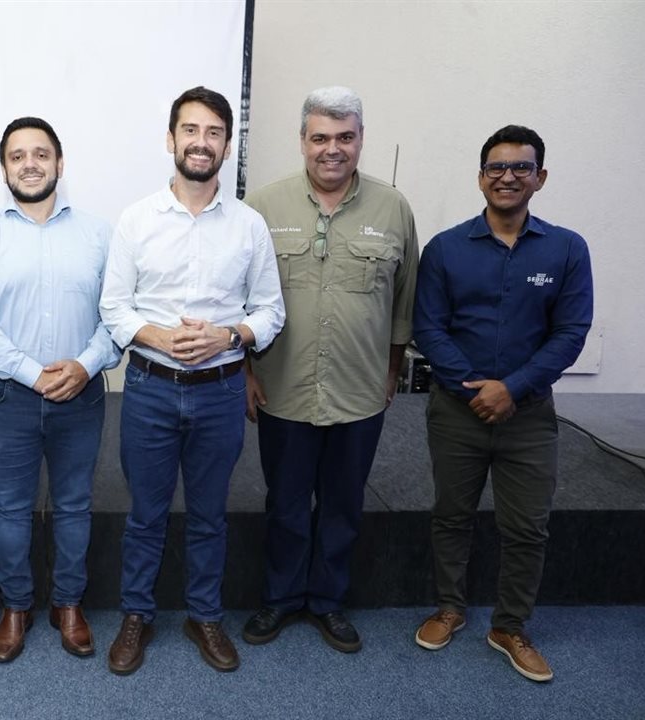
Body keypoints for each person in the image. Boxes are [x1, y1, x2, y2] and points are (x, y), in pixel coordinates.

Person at [99, 87, 285, 674]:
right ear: (171, 139)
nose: (200, 142)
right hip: (151, 388)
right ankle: (137, 615)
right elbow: (114, 307)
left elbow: (271, 312)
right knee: (146, 515)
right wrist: (156, 336)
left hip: (222, 392)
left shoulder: (250, 226)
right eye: (190, 130)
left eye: (213, 133)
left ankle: (205, 615)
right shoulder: (136, 219)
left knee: (209, 515)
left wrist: (228, 337)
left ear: (227, 145)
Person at [241, 86, 419, 654]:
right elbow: (238, 299)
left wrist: (392, 371)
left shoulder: (394, 209)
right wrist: (245, 372)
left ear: (361, 139)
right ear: (302, 141)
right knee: (286, 503)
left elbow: (404, 303)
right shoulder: (263, 208)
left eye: (345, 137)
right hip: (282, 389)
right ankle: (282, 598)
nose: (332, 149)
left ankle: (328, 601)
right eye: (320, 137)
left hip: (359, 391)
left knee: (343, 505)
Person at [412, 125, 592, 682]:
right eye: (496, 167)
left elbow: (570, 331)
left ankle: (510, 626)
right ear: (480, 177)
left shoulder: (567, 249)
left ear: (540, 178)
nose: (507, 177)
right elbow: (429, 327)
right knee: (451, 515)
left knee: (527, 526)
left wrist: (511, 389)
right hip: (456, 410)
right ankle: (450, 608)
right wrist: (476, 387)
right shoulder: (444, 248)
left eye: (521, 167)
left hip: (528, 416)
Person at [0, 117, 121, 663]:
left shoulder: (98, 233)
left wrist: (87, 364)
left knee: (74, 505)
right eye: (18, 155)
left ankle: (67, 604)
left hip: (82, 393)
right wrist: (32, 372)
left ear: (59, 163)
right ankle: (17, 605)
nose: (30, 163)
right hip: (9, 397)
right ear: (4, 168)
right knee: (12, 509)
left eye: (41, 153)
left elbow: (116, 316)